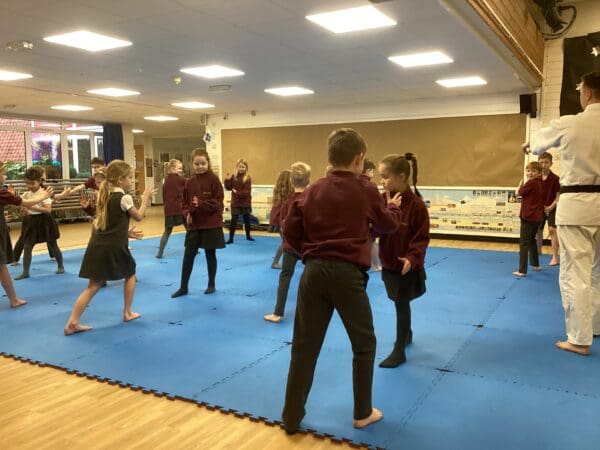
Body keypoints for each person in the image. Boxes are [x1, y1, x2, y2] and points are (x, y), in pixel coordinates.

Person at [281, 128, 402, 433]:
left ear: (330, 156)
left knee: (304, 347)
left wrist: (310, 253)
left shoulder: (312, 190)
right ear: (359, 159)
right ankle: (362, 413)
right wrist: (393, 208)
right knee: (364, 344)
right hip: (347, 275)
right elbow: (387, 225)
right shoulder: (365, 189)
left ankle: (291, 418)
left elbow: (289, 231)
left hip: (313, 273)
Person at [523, 71, 600, 355]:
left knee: (575, 273)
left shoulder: (572, 123)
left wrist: (529, 145)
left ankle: (579, 339)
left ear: (587, 93)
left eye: (580, 91)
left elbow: (538, 143)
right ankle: (595, 325)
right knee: (598, 271)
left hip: (578, 205)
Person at [64, 160, 156, 335]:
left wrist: (126, 233)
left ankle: (72, 322)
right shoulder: (124, 197)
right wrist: (145, 199)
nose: (131, 181)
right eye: (130, 178)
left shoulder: (103, 195)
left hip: (97, 244)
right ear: (120, 180)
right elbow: (139, 217)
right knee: (130, 273)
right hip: (114, 247)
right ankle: (127, 312)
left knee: (92, 286)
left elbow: (108, 223)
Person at [377, 153, 430, 368]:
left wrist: (412, 258)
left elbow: (421, 237)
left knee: (401, 303)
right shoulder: (382, 200)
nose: (382, 181)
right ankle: (407, 333)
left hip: (406, 266)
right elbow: (375, 226)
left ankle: (399, 350)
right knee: (398, 300)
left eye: (385, 177)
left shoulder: (416, 206)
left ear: (400, 177)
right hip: (388, 262)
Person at [171, 149, 225, 297]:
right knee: (188, 255)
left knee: (210, 254)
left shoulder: (214, 180)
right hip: (194, 224)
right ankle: (183, 287)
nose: (200, 166)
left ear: (208, 163)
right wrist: (187, 213)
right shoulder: (189, 182)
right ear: (192, 164)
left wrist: (201, 203)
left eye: (203, 163)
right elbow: (184, 203)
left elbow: (218, 203)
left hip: (211, 224)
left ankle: (211, 284)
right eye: (197, 164)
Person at [0, 161, 52, 307]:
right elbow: (26, 203)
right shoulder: (2, 192)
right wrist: (44, 196)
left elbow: (14, 205)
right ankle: (13, 299)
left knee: (52, 244)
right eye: (4, 174)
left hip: (41, 221)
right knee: (1, 267)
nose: (5, 177)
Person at [264, 162, 310, 323]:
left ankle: (278, 313)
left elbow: (284, 226)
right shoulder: (312, 201)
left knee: (285, 277)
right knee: (310, 279)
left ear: (291, 181)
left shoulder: (288, 203)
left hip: (290, 247)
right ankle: (312, 311)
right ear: (309, 180)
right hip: (308, 248)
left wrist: (288, 241)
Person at [14, 167, 65, 280]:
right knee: (27, 246)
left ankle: (60, 265)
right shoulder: (26, 194)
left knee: (52, 244)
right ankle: (25, 272)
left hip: (45, 220)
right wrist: (22, 208)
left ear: (39, 181)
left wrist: (32, 206)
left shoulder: (44, 193)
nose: (29, 186)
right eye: (27, 183)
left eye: (32, 183)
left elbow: (48, 210)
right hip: (31, 221)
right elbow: (18, 205)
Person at [512, 161, 543, 277]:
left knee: (524, 243)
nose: (530, 173)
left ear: (539, 173)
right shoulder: (539, 183)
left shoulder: (531, 183)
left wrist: (518, 189)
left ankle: (522, 270)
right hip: (536, 217)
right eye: (528, 170)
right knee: (531, 241)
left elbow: (519, 193)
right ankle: (536, 265)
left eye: (533, 171)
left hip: (528, 217)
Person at [156, 159, 186, 258]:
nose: (181, 170)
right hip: (180, 209)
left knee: (167, 231)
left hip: (169, 210)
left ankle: (160, 252)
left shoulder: (165, 180)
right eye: (179, 168)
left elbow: (164, 196)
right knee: (190, 230)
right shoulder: (181, 179)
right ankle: (193, 249)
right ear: (172, 168)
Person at [536, 152, 560, 266]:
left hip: (552, 207)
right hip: (539, 208)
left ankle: (555, 257)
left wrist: (551, 207)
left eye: (546, 162)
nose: (543, 165)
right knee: (538, 230)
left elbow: (558, 196)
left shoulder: (555, 179)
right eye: (541, 162)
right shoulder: (536, 178)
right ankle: (538, 251)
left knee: (552, 230)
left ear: (551, 163)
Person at [269, 169, 293, 269]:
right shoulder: (287, 193)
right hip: (280, 220)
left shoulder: (279, 191)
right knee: (286, 242)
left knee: (287, 241)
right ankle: (275, 263)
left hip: (277, 219)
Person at [224, 159, 253, 243]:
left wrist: (237, 192)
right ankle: (231, 238)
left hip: (245, 203)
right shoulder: (234, 177)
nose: (241, 168)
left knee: (247, 220)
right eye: (240, 167)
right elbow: (228, 187)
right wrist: (227, 180)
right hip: (235, 203)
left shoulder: (248, 178)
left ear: (246, 168)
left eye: (243, 167)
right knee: (233, 220)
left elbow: (246, 192)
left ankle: (248, 236)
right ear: (237, 167)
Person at [362, 159, 382, 272]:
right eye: (372, 171)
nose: (373, 174)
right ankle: (375, 265)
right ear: (368, 171)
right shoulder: (370, 185)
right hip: (367, 219)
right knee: (372, 242)